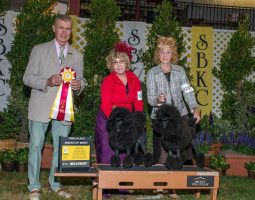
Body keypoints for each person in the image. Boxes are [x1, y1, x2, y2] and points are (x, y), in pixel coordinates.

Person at [23, 15, 84, 200]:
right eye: (61, 28)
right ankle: (34, 186)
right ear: (53, 28)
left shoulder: (78, 55)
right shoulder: (39, 50)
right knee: (35, 146)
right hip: (41, 105)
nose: (64, 32)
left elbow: (81, 79)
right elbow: (27, 78)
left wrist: (79, 85)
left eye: (68, 28)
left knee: (61, 147)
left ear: (71, 31)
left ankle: (56, 184)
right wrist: (47, 81)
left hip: (65, 109)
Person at [146, 36, 201, 165]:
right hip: (162, 119)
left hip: (181, 115)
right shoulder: (151, 73)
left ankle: (181, 183)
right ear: (158, 55)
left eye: (168, 52)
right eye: (162, 52)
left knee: (184, 154)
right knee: (162, 157)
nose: (165, 55)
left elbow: (188, 91)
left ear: (173, 55)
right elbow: (150, 98)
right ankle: (160, 185)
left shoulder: (180, 71)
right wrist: (158, 100)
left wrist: (195, 110)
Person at [95, 41, 144, 164]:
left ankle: (122, 179)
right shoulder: (108, 81)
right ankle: (103, 179)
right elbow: (106, 104)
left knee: (125, 149)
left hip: (127, 119)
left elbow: (138, 101)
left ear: (126, 62)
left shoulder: (135, 79)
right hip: (108, 119)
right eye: (115, 62)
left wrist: (138, 120)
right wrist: (115, 123)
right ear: (111, 65)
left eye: (121, 61)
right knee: (107, 151)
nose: (119, 65)